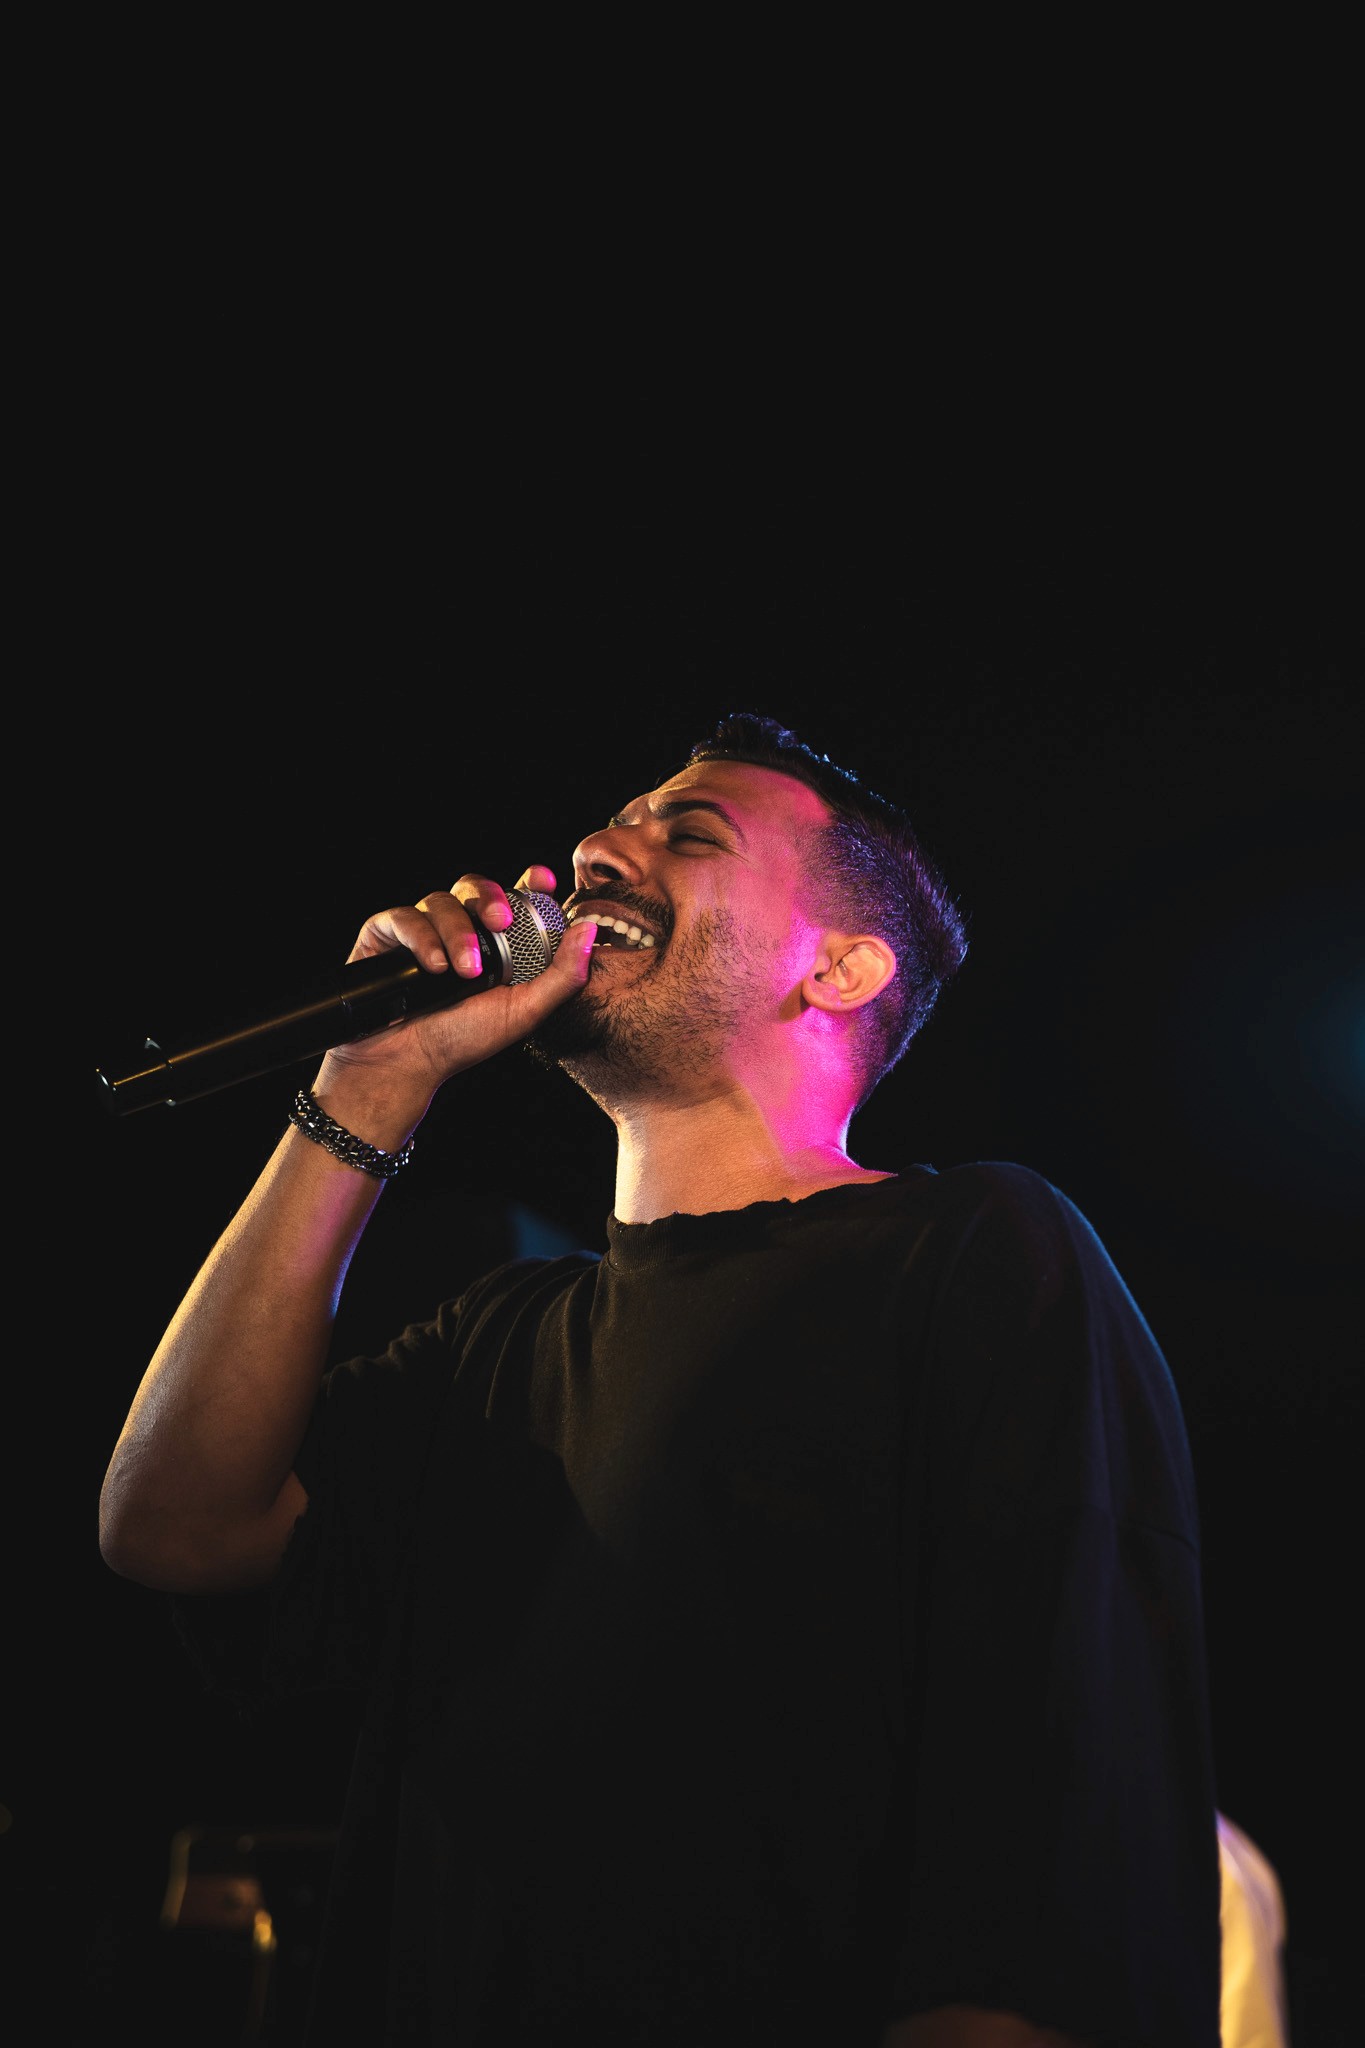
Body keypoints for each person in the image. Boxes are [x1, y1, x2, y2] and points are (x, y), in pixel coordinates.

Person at [100, 712, 1223, 2047]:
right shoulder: (498, 1342)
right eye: (615, 821)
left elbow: (1052, 1767)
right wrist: (367, 1087)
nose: (593, 850)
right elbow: (175, 1526)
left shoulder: (974, 1251)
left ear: (840, 968)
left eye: (689, 833)